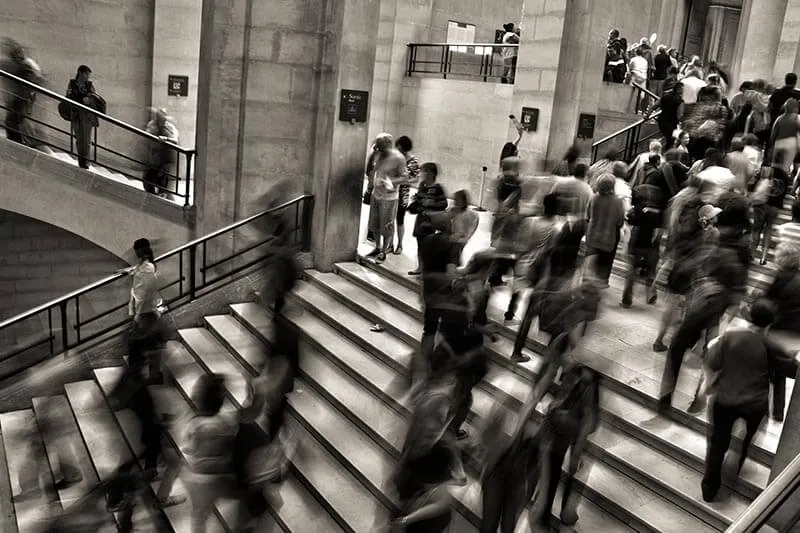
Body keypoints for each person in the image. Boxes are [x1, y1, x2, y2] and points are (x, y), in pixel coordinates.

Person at [700, 299, 800, 502]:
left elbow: (712, 362)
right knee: (747, 438)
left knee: (717, 444)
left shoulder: (730, 337)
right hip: (754, 404)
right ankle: (737, 464)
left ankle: (709, 488)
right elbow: (791, 371)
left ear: (750, 317)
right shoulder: (771, 346)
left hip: (725, 400)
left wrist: (707, 387)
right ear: (770, 324)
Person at [181, 374, 238, 533]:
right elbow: (229, 448)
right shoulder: (226, 423)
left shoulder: (195, 424)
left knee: (199, 515)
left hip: (198, 477)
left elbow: (188, 448)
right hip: (218, 477)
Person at [120, 238, 166, 383]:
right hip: (144, 312)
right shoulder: (143, 265)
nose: (136, 254)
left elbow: (147, 291)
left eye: (137, 251)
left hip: (146, 312)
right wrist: (126, 271)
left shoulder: (148, 267)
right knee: (149, 345)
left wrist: (137, 315)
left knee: (145, 345)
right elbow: (136, 270)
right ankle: (154, 375)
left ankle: (153, 375)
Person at [366, 133, 409, 262]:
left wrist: (391, 181)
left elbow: (405, 177)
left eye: (380, 146)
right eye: (377, 146)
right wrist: (373, 153)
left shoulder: (398, 158)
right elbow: (369, 170)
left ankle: (384, 250)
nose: (379, 148)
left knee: (386, 225)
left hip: (389, 197)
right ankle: (377, 247)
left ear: (388, 145)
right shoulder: (378, 154)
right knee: (374, 223)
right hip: (376, 194)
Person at [585, 174, 625, 287]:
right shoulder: (618, 201)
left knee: (590, 264)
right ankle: (601, 282)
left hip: (592, 236)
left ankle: (587, 284)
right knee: (604, 265)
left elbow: (587, 216)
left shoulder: (593, 198)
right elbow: (620, 221)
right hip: (608, 238)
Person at [408, 163, 448, 275]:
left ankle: (428, 267)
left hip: (431, 220)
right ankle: (420, 267)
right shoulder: (422, 185)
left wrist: (431, 203)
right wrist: (417, 201)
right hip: (421, 217)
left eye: (425, 171)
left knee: (428, 243)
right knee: (419, 243)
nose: (422, 174)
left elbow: (444, 203)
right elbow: (419, 201)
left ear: (431, 173)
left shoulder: (438, 188)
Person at [66, 65, 97, 169]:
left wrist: (87, 100)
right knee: (79, 138)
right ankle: (81, 161)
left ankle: (86, 162)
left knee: (87, 139)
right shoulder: (72, 84)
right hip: (76, 114)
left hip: (87, 116)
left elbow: (94, 98)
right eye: (86, 74)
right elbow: (69, 97)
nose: (87, 77)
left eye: (88, 74)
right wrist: (82, 100)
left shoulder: (89, 85)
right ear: (80, 73)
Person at [394, 135, 420, 255]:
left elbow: (416, 179)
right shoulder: (396, 158)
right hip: (391, 191)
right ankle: (388, 243)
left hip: (402, 193)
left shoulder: (413, 161)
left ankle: (400, 244)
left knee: (400, 218)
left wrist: (403, 181)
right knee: (389, 218)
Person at [143, 108, 179, 196]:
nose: (161, 120)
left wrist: (166, 139)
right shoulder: (152, 124)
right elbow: (147, 134)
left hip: (166, 159)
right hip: (154, 158)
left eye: (162, 118)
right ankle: (152, 196)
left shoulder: (169, 127)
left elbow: (175, 140)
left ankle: (162, 195)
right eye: (159, 118)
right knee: (148, 179)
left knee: (162, 181)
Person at [447, 189, 479, 264]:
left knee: (454, 254)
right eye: (455, 200)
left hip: (460, 239)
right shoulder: (453, 211)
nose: (455, 202)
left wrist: (467, 237)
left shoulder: (470, 214)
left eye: (457, 200)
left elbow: (472, 227)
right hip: (453, 237)